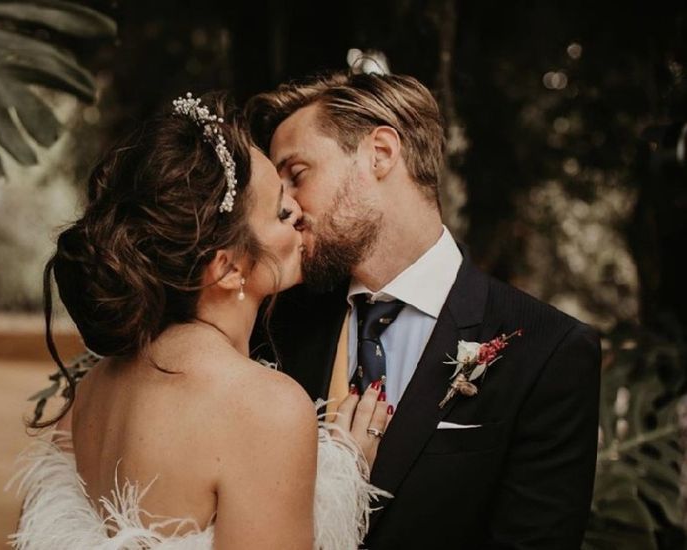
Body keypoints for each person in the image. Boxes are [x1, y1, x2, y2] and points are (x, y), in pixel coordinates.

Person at [9, 93, 391, 549]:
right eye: (278, 208)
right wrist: (344, 480)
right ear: (227, 269)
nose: (298, 212)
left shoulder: (88, 395)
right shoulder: (265, 409)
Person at [246, 71, 602, 549]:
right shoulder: (275, 325)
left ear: (381, 153)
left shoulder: (547, 351)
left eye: (297, 175)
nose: (286, 207)